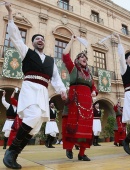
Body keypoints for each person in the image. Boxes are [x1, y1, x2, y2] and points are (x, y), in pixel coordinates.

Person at [3, 3, 67, 169]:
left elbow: (56, 78)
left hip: (43, 92)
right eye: (37, 38)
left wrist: (62, 90)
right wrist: (10, 15)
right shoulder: (26, 52)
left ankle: (14, 155)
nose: (40, 40)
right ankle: (11, 152)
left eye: (42, 39)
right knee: (32, 117)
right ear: (32, 43)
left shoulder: (51, 60)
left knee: (36, 125)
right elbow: (16, 36)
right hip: (30, 88)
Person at [62, 35, 98, 161]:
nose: (84, 58)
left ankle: (82, 153)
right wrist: (71, 40)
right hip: (75, 102)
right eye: (81, 57)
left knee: (86, 128)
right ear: (77, 60)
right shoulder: (73, 69)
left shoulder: (89, 75)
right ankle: (69, 148)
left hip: (87, 105)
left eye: (85, 57)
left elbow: (94, 87)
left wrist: (94, 92)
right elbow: (65, 55)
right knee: (72, 125)